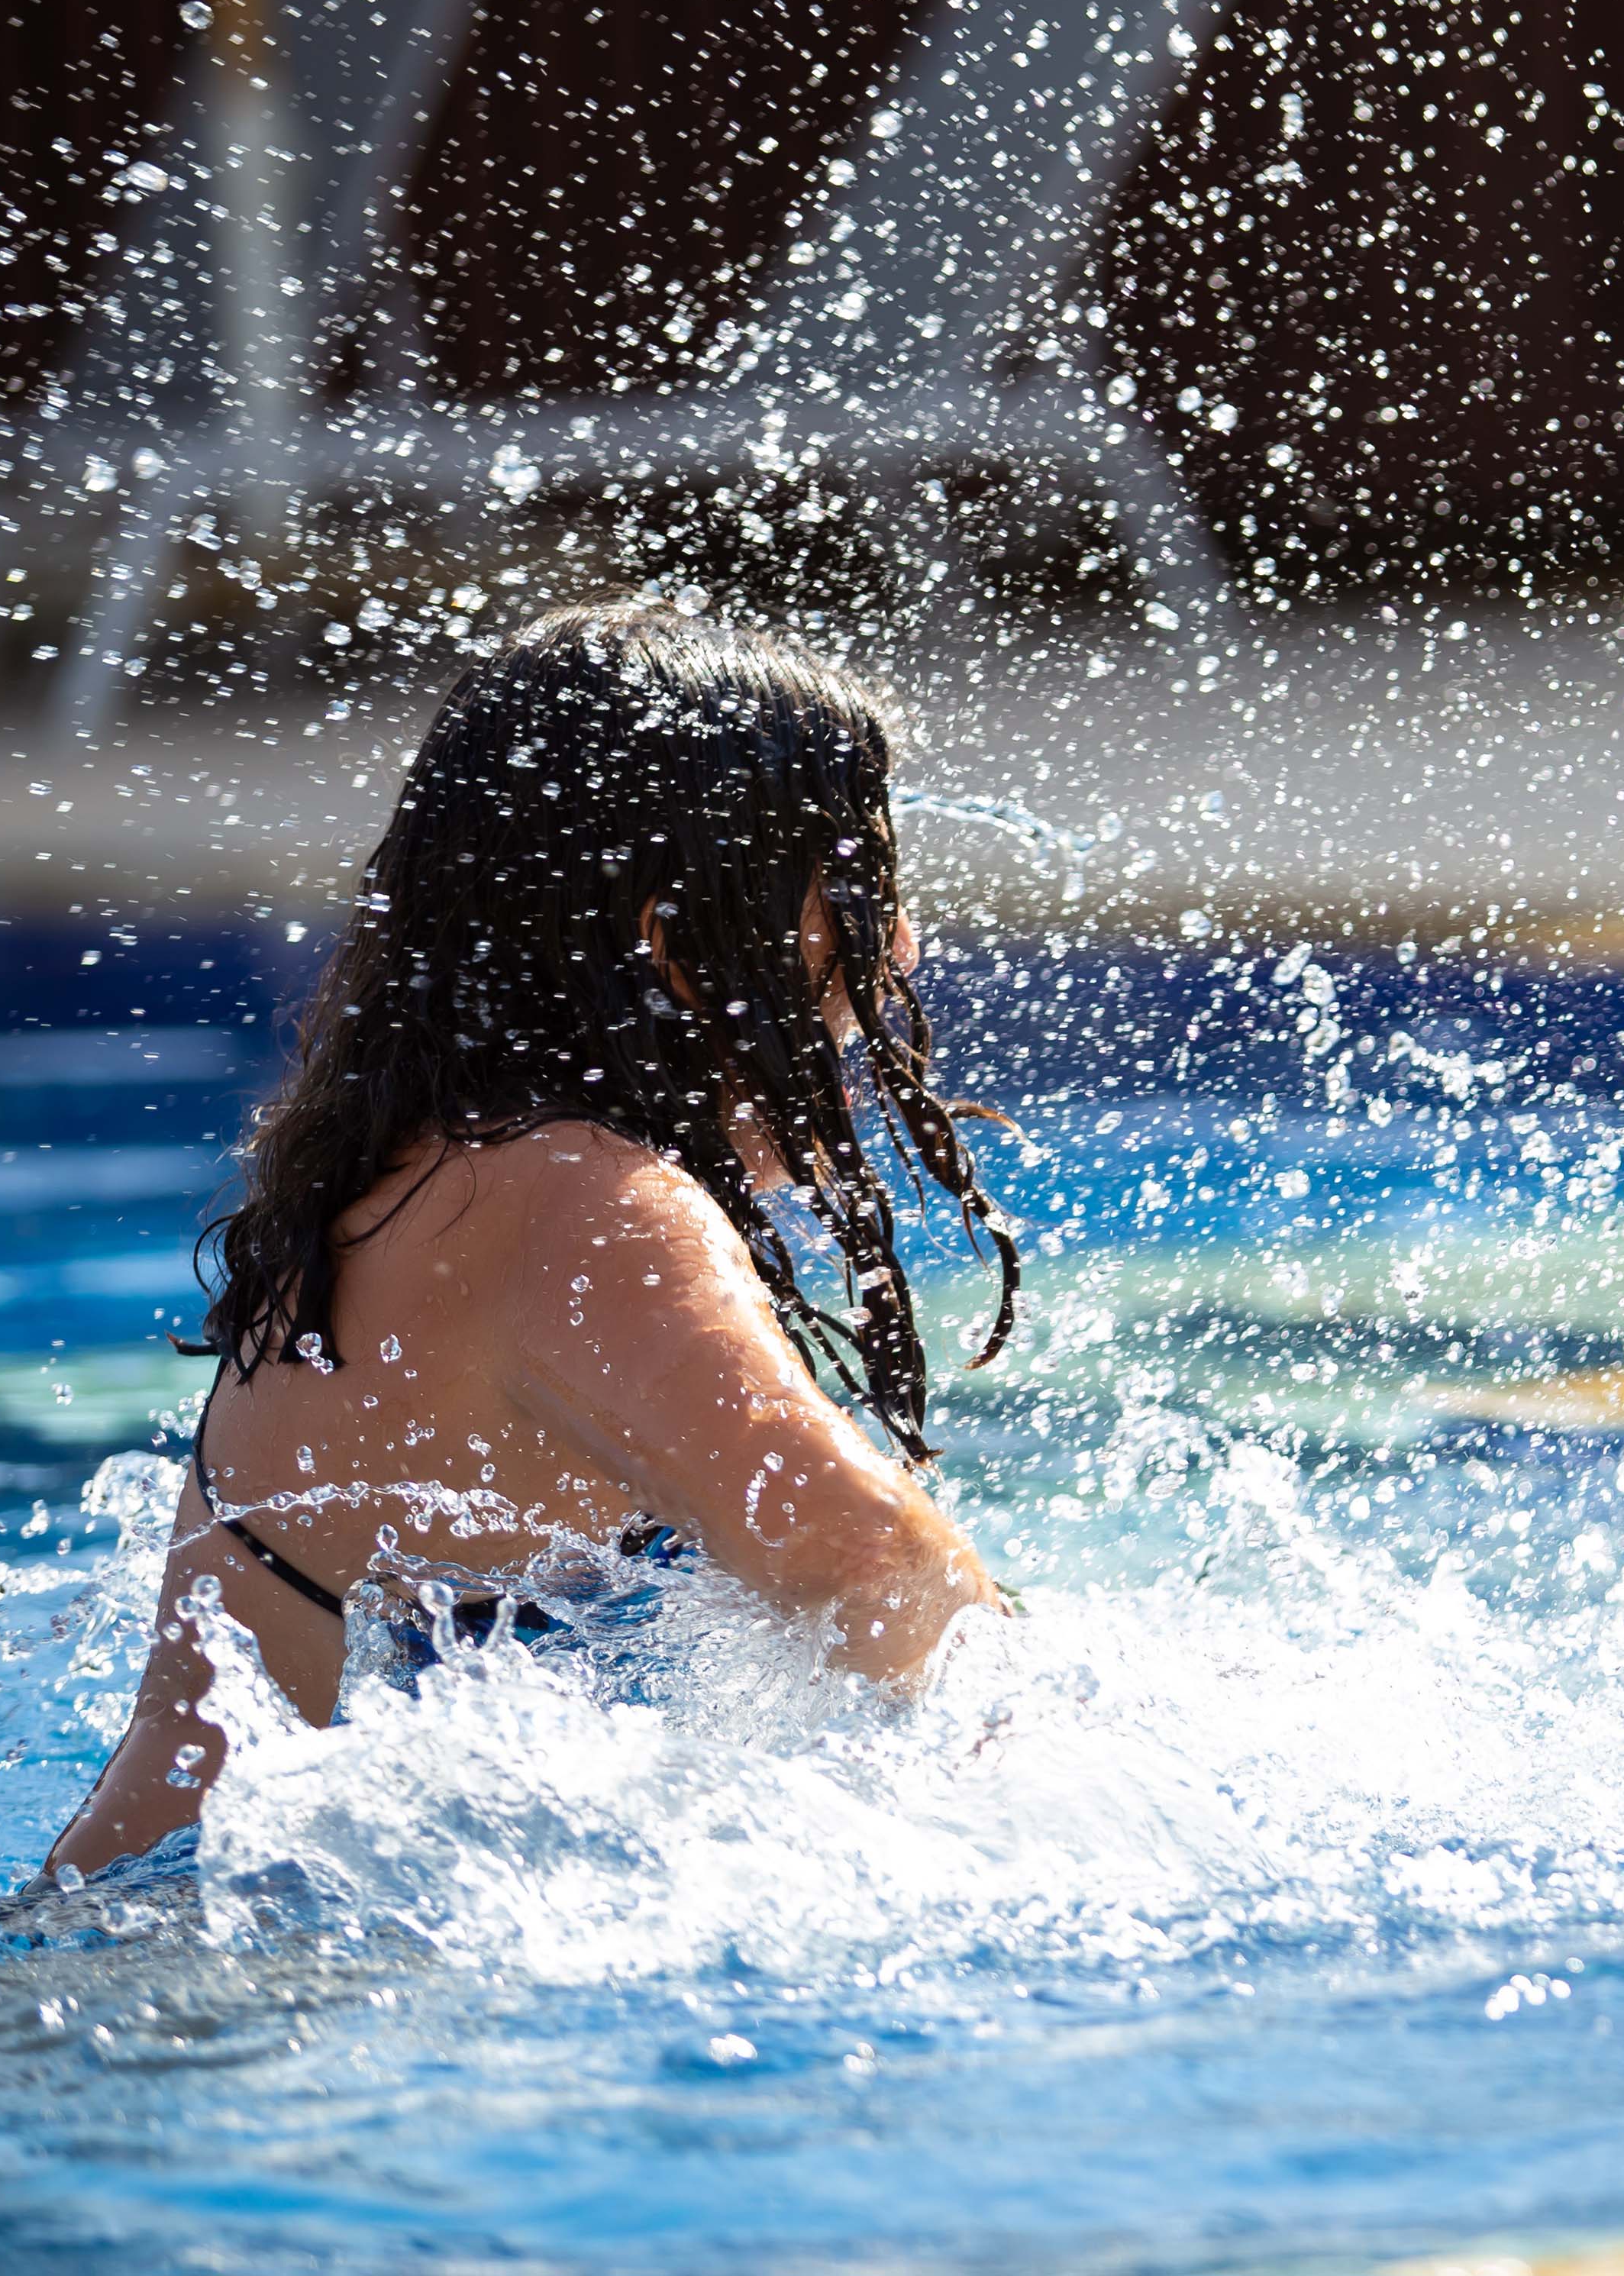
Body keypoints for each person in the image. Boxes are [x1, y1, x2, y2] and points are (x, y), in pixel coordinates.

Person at [49, 603, 1015, 1881]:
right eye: (859, 889)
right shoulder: (586, 1206)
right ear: (674, 942)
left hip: (151, 1967)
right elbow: (872, 1562)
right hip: (315, 1993)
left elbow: (196, 1755)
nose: (896, 944)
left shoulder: (383, 1199)